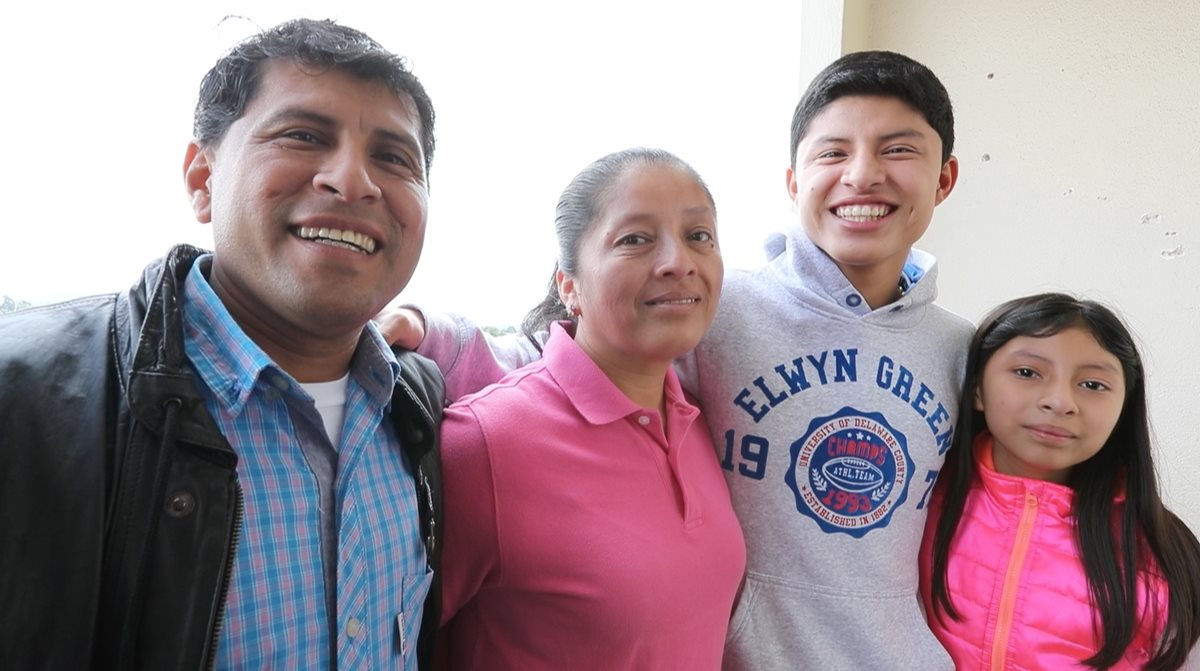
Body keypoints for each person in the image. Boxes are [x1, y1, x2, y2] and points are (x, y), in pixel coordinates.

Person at [379, 50, 969, 669]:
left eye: (897, 150)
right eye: (833, 152)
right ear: (794, 182)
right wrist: (430, 332)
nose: (862, 175)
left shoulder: (962, 352)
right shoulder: (719, 307)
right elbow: (556, 360)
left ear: (945, 179)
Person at [0, 19, 445, 670]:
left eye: (394, 158)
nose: (353, 180)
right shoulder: (28, 403)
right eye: (303, 135)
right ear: (202, 179)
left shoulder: (419, 410)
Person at [436, 147, 745, 670]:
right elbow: (386, 640)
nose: (679, 262)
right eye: (635, 240)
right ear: (569, 285)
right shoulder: (484, 444)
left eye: (699, 236)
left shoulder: (699, 420)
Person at [920, 293, 1200, 670]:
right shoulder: (917, 500)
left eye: (1093, 384)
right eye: (1027, 373)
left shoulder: (1163, 553)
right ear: (977, 388)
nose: (1059, 401)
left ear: (1124, 406)